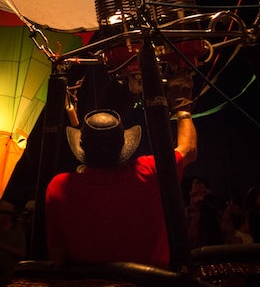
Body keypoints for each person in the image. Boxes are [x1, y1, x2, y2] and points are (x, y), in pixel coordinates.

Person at [45, 108, 197, 268]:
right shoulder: (150, 170)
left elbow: (58, 258)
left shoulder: (59, 186)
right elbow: (189, 150)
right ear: (123, 145)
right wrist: (183, 109)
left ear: (82, 147)